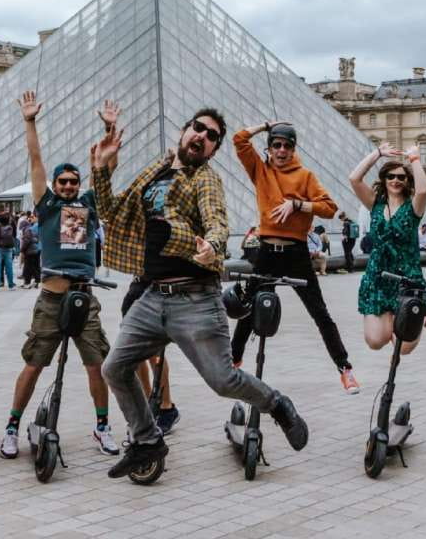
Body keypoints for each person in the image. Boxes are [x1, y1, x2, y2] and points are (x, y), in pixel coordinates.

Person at [93, 107, 308, 478]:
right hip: (153, 295)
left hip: (195, 298)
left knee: (223, 381)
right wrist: (101, 167)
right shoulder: (154, 172)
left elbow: (216, 220)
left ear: (213, 150)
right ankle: (146, 440)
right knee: (114, 367)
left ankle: (277, 404)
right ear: (183, 129)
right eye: (199, 129)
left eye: (212, 137)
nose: (202, 137)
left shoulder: (205, 179)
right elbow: (111, 211)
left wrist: (213, 246)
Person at [0, 91, 122, 460]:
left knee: (97, 365)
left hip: (85, 297)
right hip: (51, 298)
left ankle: (102, 426)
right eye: (63, 181)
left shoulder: (89, 203)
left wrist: (110, 129)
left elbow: (108, 167)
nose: (69, 186)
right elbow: (35, 159)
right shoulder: (48, 205)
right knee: (34, 364)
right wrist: (30, 121)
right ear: (54, 185)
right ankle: (11, 426)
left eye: (74, 181)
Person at [230, 121, 359, 394]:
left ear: (294, 149)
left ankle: (344, 368)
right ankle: (234, 361)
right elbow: (239, 139)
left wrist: (297, 204)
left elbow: (329, 208)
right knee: (248, 309)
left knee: (320, 313)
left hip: (296, 253)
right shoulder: (260, 170)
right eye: (276, 144)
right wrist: (266, 125)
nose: (282, 150)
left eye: (287, 145)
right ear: (269, 147)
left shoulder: (305, 176)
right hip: (266, 251)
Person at [349, 142, 426, 354]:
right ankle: (421, 313)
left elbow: (424, 189)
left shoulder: (413, 208)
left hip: (407, 278)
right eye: (391, 176)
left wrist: (415, 159)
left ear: (407, 180)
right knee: (376, 341)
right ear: (384, 180)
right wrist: (377, 153)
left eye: (401, 177)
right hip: (378, 278)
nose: (396, 180)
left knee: (403, 348)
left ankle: (420, 312)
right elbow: (354, 179)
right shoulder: (375, 204)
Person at [0, 208, 18, 290]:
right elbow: (14, 233)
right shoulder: (11, 220)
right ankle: (11, 285)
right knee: (9, 266)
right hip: (8, 246)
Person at [19, 213, 41, 289]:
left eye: (32, 217)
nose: (31, 219)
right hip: (37, 248)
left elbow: (27, 240)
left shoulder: (31, 228)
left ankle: (27, 282)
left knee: (28, 267)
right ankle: (37, 281)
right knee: (35, 266)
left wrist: (22, 250)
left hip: (31, 249)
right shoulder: (38, 226)